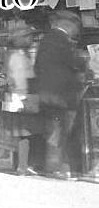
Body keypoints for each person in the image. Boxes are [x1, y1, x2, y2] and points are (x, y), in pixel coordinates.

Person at [34, 10, 85, 179]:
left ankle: (57, 167)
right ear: (68, 25)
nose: (77, 32)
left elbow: (37, 67)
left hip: (47, 96)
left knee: (53, 130)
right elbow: (74, 64)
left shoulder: (45, 40)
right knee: (61, 132)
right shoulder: (64, 41)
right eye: (76, 27)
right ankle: (59, 168)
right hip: (62, 96)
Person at [3, 25, 42, 176]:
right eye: (28, 37)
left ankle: (24, 165)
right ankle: (23, 166)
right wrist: (26, 98)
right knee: (24, 133)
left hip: (19, 97)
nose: (31, 39)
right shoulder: (18, 56)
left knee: (24, 133)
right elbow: (20, 80)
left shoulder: (15, 54)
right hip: (22, 97)